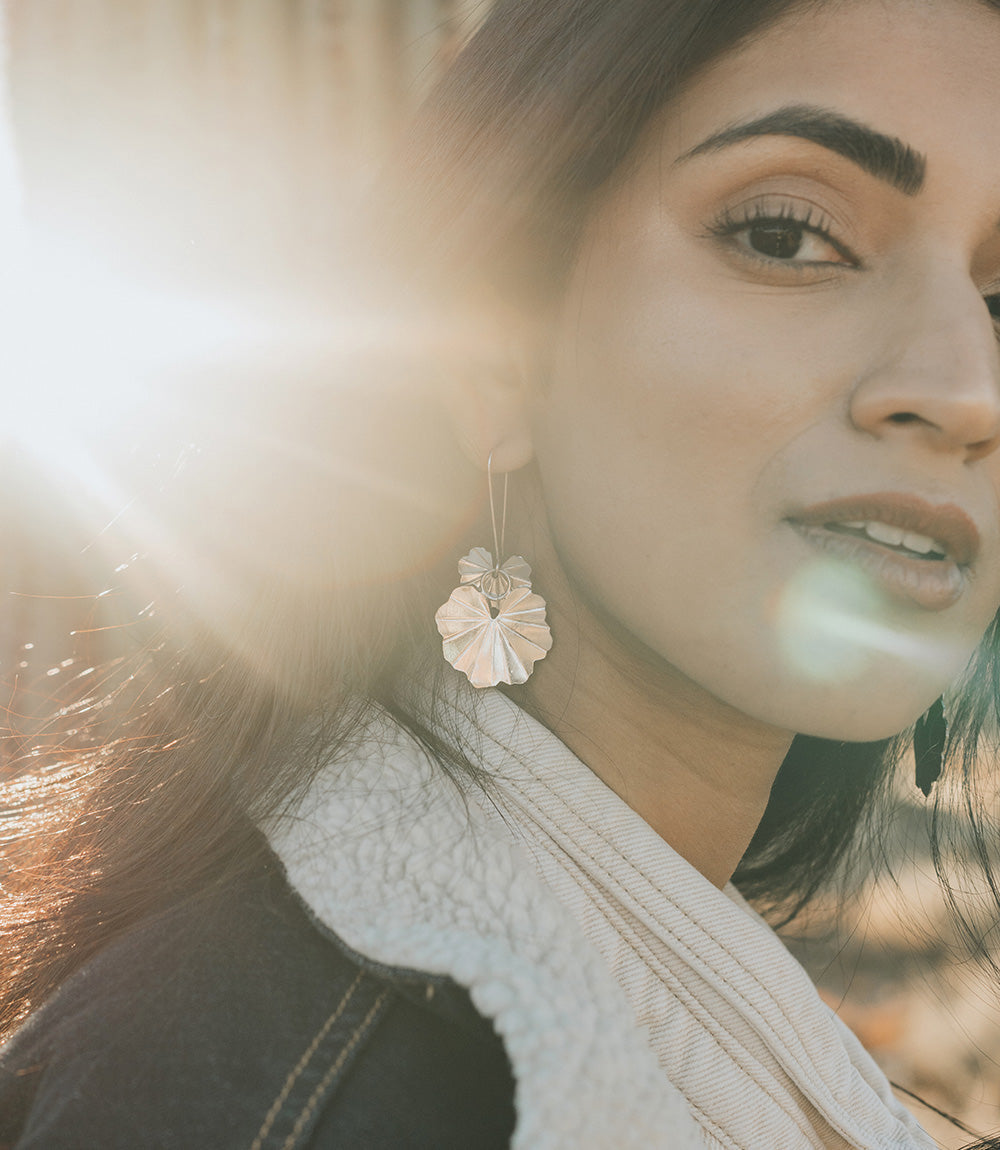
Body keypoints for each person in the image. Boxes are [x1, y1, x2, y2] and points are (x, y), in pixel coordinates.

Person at [2, 0, 1000, 1145]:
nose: (967, 386)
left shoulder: (692, 1011)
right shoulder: (250, 1081)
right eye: (784, 234)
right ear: (493, 354)